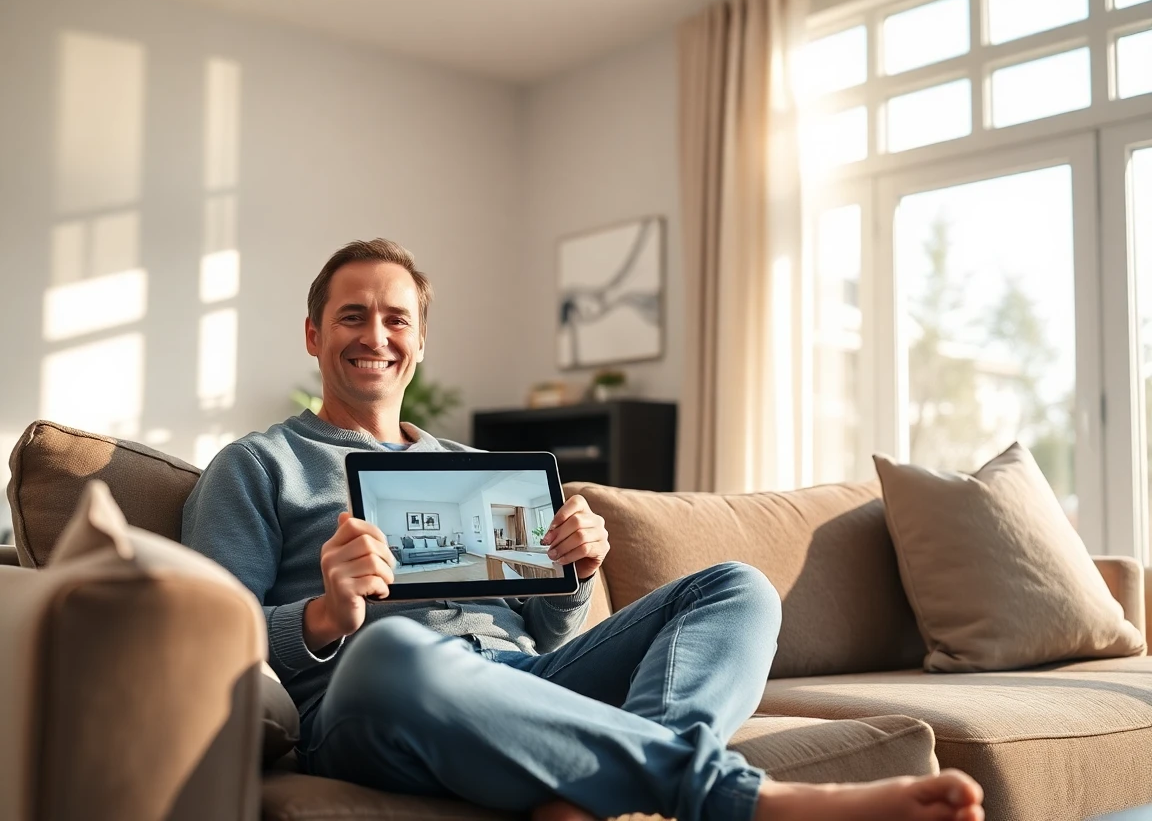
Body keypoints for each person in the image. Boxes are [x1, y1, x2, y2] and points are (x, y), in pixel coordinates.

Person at [182, 239, 985, 821]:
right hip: (376, 702)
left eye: (396, 319)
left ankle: (594, 793)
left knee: (735, 586)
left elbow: (548, 630)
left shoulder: (477, 466)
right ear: (314, 335)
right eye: (350, 316)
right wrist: (326, 616)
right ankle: (724, 795)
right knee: (393, 649)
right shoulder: (256, 466)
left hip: (531, 683)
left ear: (420, 345)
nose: (375, 336)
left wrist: (570, 576)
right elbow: (202, 640)